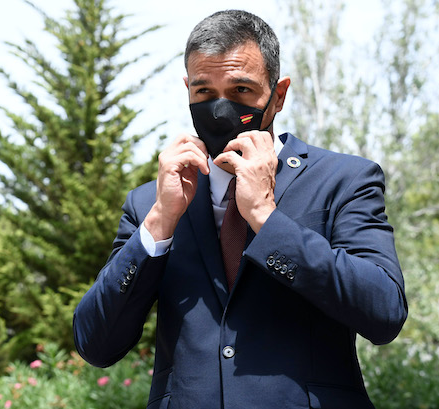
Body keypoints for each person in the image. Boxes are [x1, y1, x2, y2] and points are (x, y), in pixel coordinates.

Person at [73, 9, 407, 409]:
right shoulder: (151, 203)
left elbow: (384, 312)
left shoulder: (344, 180)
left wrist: (267, 218)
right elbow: (95, 344)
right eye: (203, 92)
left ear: (278, 95)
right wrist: (160, 222)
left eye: (241, 91)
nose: (219, 110)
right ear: (188, 90)